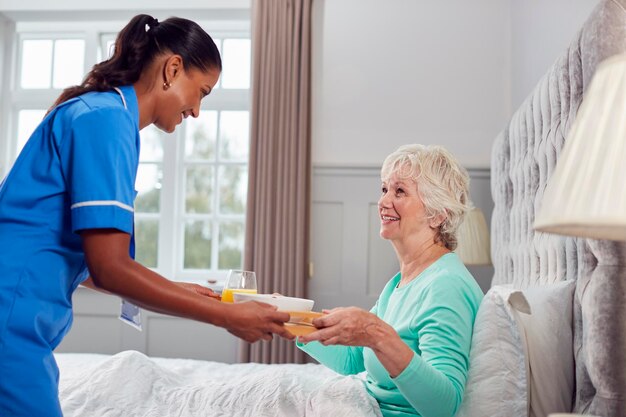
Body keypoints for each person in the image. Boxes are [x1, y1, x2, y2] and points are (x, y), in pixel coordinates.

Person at [0, 14, 293, 417]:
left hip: (19, 322)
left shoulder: (102, 114)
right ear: (173, 69)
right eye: (202, 92)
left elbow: (80, 262)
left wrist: (174, 287)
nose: (197, 111)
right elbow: (110, 268)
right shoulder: (105, 120)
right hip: (10, 322)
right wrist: (226, 315)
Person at [297, 144, 484, 417]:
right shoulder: (400, 283)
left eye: (400, 191)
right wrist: (291, 320)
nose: (383, 202)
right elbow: (354, 359)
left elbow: (444, 404)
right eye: (384, 189)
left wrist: (376, 333)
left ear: (438, 213)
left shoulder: (446, 285)